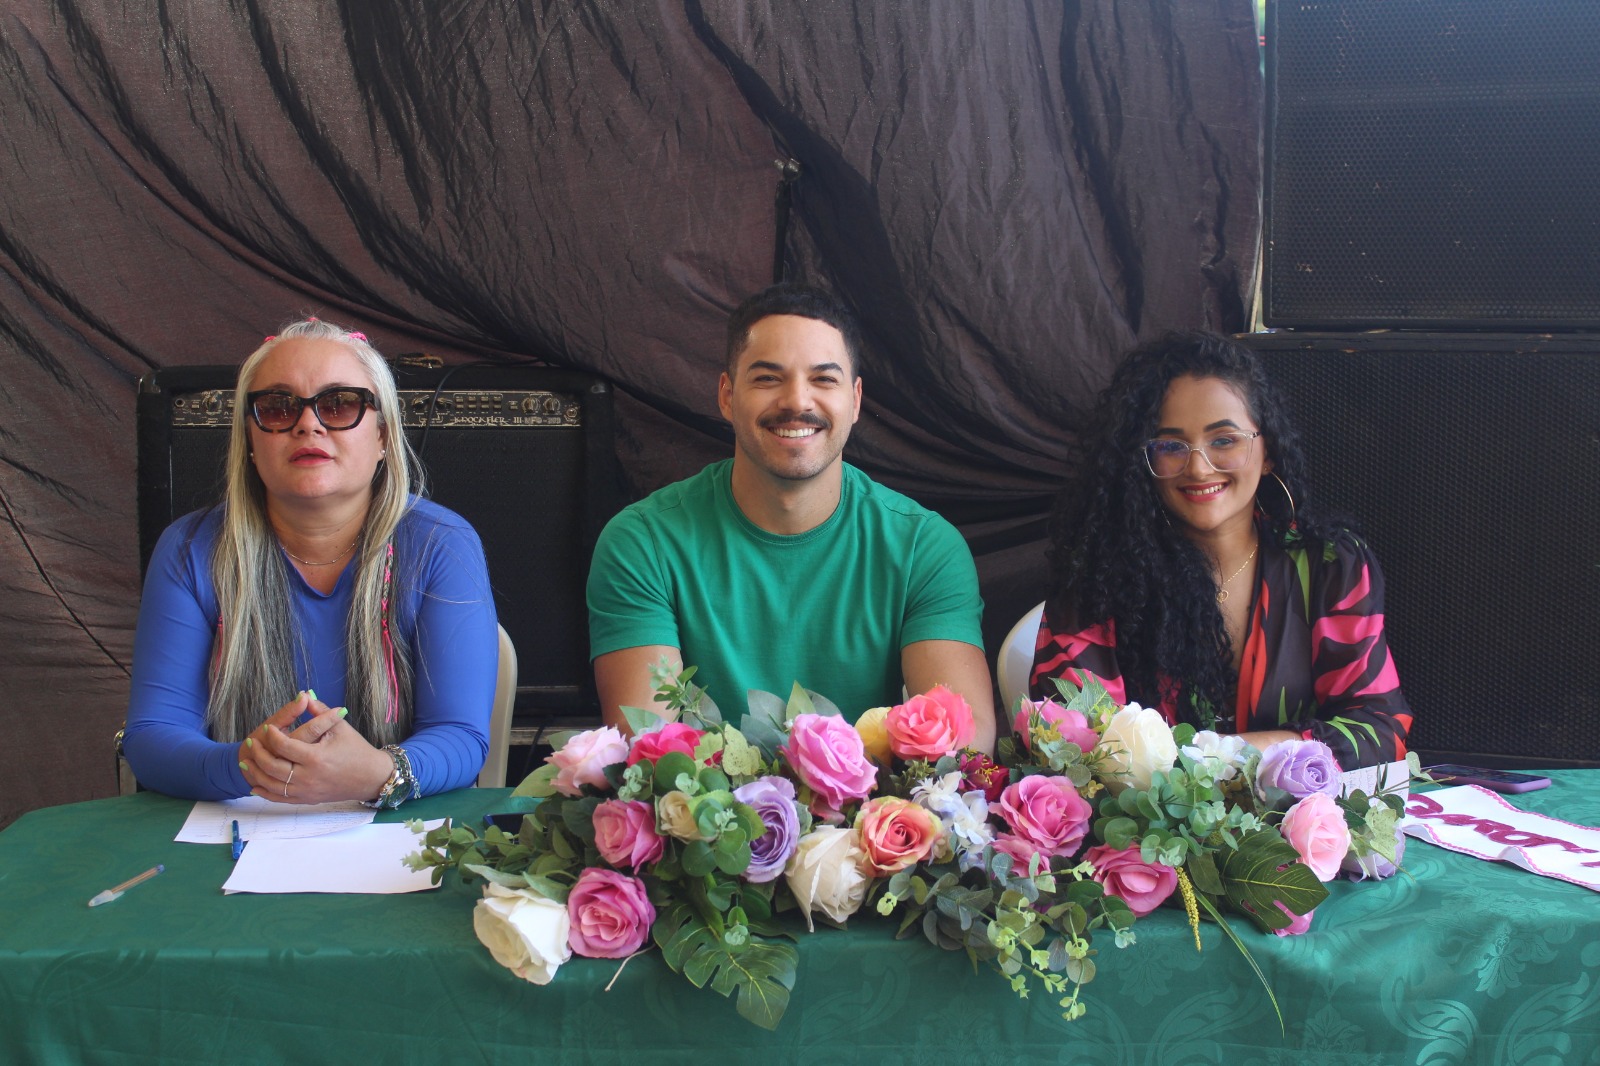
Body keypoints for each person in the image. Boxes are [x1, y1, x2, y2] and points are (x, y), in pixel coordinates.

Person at [588, 283, 996, 751]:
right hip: (702, 801)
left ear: (856, 400)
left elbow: (965, 750)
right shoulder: (643, 542)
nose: (797, 401)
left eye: (824, 379)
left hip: (871, 799)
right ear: (727, 395)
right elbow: (646, 751)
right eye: (767, 378)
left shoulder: (924, 546)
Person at [122, 319, 499, 805]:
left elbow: (462, 737)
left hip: (398, 828)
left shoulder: (442, 543)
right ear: (249, 440)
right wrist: (252, 764)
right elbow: (152, 736)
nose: (308, 424)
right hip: (240, 824)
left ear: (383, 435)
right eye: (278, 408)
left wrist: (377, 773)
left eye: (339, 404)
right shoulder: (188, 548)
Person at [1030, 331, 1412, 769]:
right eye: (1170, 446)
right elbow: (1075, 748)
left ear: (1268, 451)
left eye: (1224, 440)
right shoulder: (1097, 576)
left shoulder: (1329, 566)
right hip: (1147, 817)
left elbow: (1379, 728)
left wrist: (1227, 754)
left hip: (1301, 812)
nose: (1198, 467)